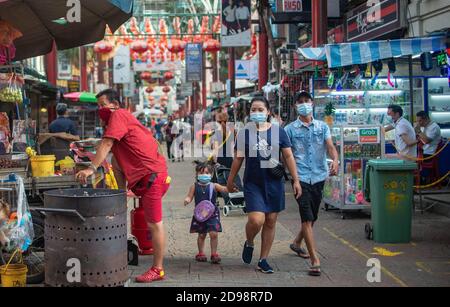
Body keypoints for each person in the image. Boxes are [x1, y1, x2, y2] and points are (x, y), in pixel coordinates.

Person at [75, 89, 170, 283]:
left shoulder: (119, 115)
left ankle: (158, 269)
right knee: (148, 221)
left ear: (115, 104)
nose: (100, 108)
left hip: (152, 176)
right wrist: (120, 194)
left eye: (103, 104)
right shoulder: (116, 127)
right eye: (98, 105)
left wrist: (92, 168)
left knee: (154, 223)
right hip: (145, 178)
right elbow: (117, 163)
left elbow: (106, 144)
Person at [227, 97, 302, 274]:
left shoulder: (279, 132)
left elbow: (289, 156)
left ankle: (263, 259)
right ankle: (250, 241)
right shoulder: (245, 132)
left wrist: (296, 180)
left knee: (270, 220)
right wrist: (230, 180)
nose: (257, 113)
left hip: (274, 183)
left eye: (261, 109)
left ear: (268, 112)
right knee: (256, 219)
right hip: (253, 183)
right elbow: (238, 158)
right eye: (254, 109)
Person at [284, 91, 339, 277]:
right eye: (300, 102)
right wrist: (294, 179)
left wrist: (336, 160)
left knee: (313, 216)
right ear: (295, 106)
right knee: (307, 218)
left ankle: (297, 243)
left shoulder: (322, 127)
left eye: (307, 101)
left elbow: (330, 146)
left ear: (312, 103)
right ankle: (315, 260)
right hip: (300, 178)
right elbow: (287, 155)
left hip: (319, 176)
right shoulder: (289, 130)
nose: (304, 104)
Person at [184, 161, 228, 264]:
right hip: (200, 215)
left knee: (214, 234)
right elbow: (189, 196)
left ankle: (214, 254)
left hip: (212, 214)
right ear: (197, 174)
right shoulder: (194, 186)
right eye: (202, 173)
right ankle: (201, 253)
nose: (204, 175)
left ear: (211, 175)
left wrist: (230, 188)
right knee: (201, 234)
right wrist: (187, 200)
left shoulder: (214, 185)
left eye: (207, 173)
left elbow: (224, 189)